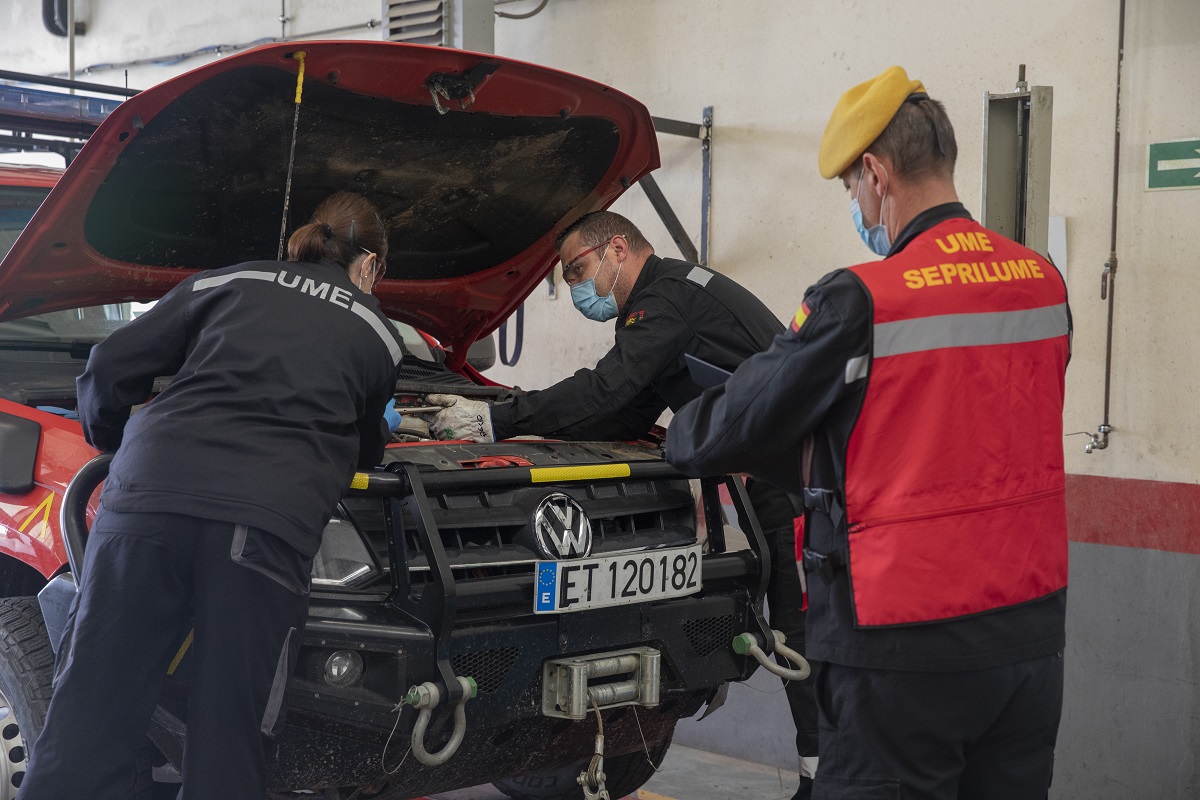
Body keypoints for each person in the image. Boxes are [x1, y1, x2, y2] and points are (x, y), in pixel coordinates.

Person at [664, 66, 1071, 800]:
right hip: (1028, 636)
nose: (856, 202)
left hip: (902, 645)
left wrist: (680, 431)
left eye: (852, 187)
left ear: (877, 174)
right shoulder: (1043, 283)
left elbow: (730, 426)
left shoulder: (865, 299)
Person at [422, 210, 819, 797]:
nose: (577, 286)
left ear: (617, 250)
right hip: (776, 470)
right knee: (791, 628)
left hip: (796, 479)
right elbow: (623, 412)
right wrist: (517, 415)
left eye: (578, 269)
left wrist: (495, 417)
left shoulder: (664, 302)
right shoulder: (669, 301)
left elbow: (607, 389)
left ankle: (826, 779)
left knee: (797, 630)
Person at [22, 192, 404, 799]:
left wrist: (122, 444)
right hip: (260, 529)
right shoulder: (377, 333)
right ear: (370, 266)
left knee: (89, 716)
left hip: (144, 506)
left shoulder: (224, 282)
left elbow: (107, 364)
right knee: (230, 738)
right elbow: (364, 452)